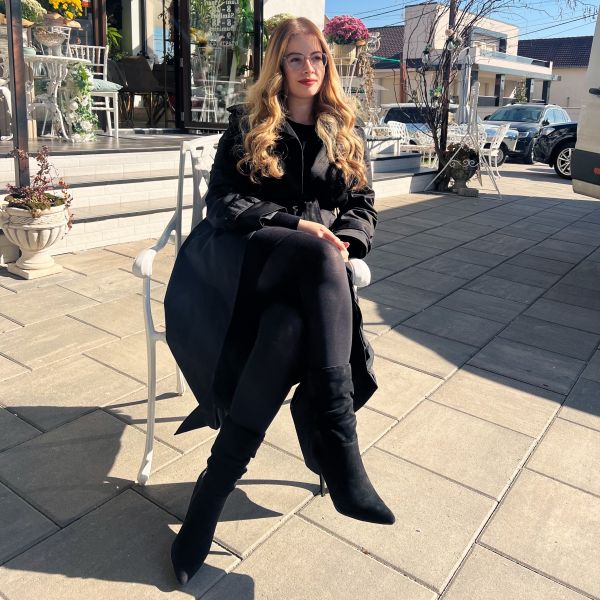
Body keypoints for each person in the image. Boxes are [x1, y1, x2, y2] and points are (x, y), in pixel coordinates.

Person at [164, 16, 395, 585]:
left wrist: (349, 240)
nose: (308, 68)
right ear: (278, 65)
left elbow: (362, 204)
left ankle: (210, 494)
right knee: (318, 253)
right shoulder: (249, 122)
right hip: (245, 262)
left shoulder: (343, 127)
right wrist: (297, 225)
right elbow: (222, 202)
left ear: (327, 63)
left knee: (289, 329)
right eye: (295, 58)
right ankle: (338, 442)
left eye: (317, 57)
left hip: (308, 284)